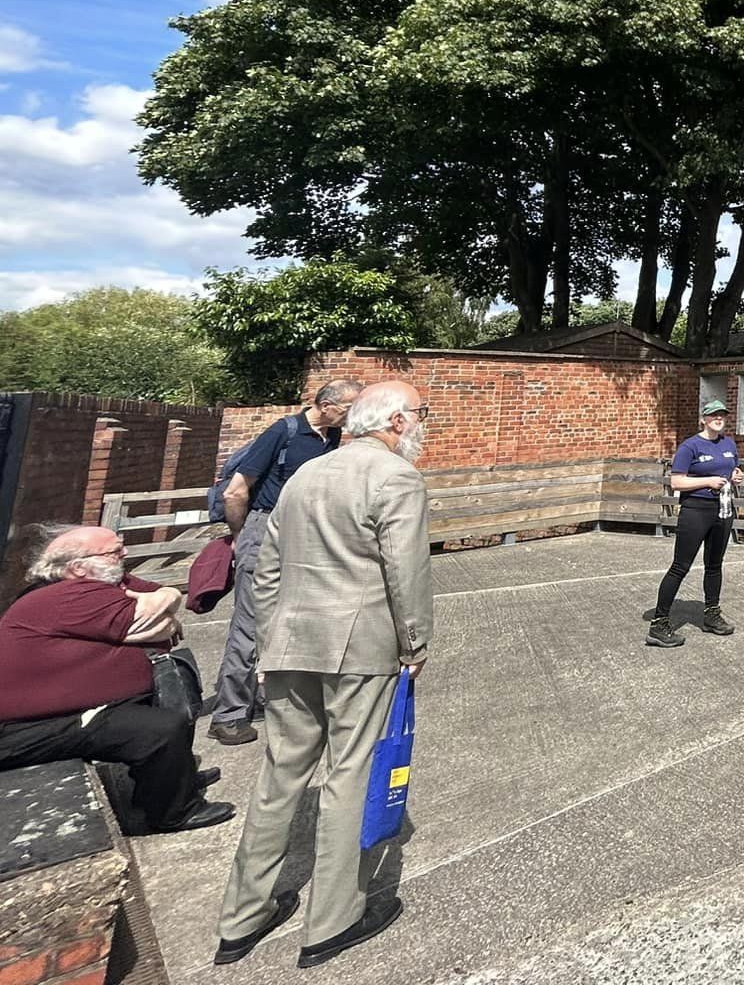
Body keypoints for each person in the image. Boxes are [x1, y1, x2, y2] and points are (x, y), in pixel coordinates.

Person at [214, 379, 433, 971]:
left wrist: (265, 645)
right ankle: (332, 921)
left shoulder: (307, 474)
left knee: (279, 776)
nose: (423, 425)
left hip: (287, 646)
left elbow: (265, 572)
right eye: (420, 414)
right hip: (360, 650)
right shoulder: (395, 477)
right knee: (349, 777)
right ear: (394, 421)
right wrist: (415, 643)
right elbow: (405, 571)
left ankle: (242, 917)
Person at [0, 525, 232, 833]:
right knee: (158, 729)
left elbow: (162, 597)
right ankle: (173, 813)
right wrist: (160, 616)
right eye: (113, 551)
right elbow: (156, 621)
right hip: (24, 727)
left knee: (165, 697)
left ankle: (174, 779)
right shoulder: (66, 596)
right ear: (77, 567)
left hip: (71, 709)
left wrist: (164, 601)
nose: (124, 554)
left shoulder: (108, 582)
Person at [209, 378, 362, 745]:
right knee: (249, 625)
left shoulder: (331, 438)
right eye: (348, 409)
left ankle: (265, 698)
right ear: (324, 405)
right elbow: (236, 490)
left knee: (286, 620)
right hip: (263, 528)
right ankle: (228, 714)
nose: (352, 416)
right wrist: (242, 537)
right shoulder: (284, 432)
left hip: (301, 533)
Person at [644, 398, 741, 644]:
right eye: (713, 415)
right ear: (703, 419)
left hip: (723, 510)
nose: (718, 419)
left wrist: (736, 476)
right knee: (680, 566)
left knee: (714, 565)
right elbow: (676, 482)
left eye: (722, 415)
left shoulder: (729, 444)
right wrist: (707, 481)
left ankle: (711, 615)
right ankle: (659, 624)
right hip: (696, 510)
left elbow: (731, 470)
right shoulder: (690, 447)